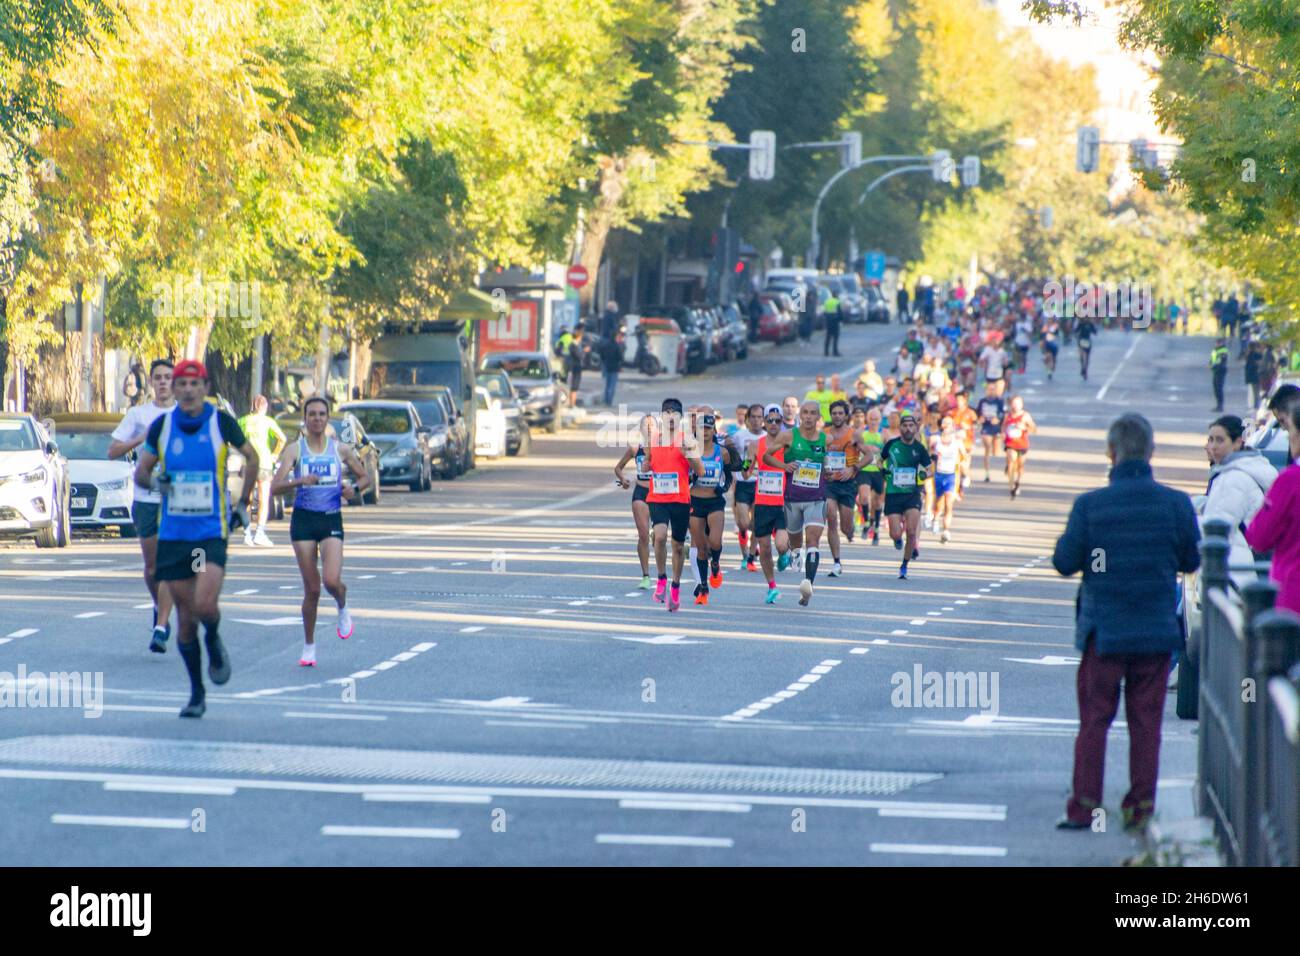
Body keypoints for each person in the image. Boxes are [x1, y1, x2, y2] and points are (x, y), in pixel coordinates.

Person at [1053, 412, 1201, 832]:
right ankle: (1139, 808)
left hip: (1106, 632)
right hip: (1155, 633)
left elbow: (1065, 562)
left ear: (1110, 452)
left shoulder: (1091, 505)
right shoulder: (1176, 504)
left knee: (1095, 721)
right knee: (1146, 724)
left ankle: (1084, 807)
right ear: (1151, 452)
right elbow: (1191, 559)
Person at [132, 360, 260, 718]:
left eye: (194, 383)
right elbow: (142, 472)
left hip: (208, 535)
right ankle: (196, 692)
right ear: (173, 389)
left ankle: (215, 639)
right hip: (173, 536)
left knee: (204, 605)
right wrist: (157, 483)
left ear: (205, 387)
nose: (188, 390)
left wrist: (244, 502)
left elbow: (252, 457)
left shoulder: (221, 422)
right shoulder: (162, 426)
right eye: (181, 384)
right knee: (186, 620)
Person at [271, 395, 370, 666]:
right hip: (303, 521)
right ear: (305, 419)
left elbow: (365, 477)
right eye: (312, 414)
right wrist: (299, 480)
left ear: (327, 419)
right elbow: (274, 487)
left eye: (321, 414)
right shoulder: (295, 450)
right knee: (312, 589)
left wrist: (354, 490)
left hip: (330, 519)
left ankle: (342, 604)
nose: (316, 419)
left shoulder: (340, 450)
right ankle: (309, 646)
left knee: (330, 580)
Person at [108, 358, 177, 653]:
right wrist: (140, 438)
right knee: (151, 569)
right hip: (145, 496)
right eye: (158, 377)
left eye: (167, 377)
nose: (162, 382)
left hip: (176, 500)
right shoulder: (139, 413)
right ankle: (158, 604)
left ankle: (161, 626)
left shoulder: (185, 414)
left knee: (168, 564)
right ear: (151, 382)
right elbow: (112, 451)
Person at [763, 401, 830, 606]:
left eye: (813, 413)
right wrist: (785, 466)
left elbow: (830, 462)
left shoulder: (825, 439)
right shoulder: (788, 436)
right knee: (795, 542)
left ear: (818, 417)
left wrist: (829, 470)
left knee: (813, 540)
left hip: (816, 499)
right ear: (801, 415)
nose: (808, 417)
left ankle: (808, 583)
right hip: (792, 499)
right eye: (806, 413)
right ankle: (793, 552)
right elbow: (766, 456)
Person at [647, 398, 704, 612]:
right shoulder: (653, 439)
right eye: (667, 412)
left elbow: (700, 471)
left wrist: (687, 454)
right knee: (659, 537)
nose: (670, 416)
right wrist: (645, 464)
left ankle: (675, 586)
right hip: (658, 498)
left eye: (675, 413)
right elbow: (649, 463)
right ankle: (661, 578)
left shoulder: (687, 440)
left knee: (678, 546)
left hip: (680, 499)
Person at [1246, 403, 1300, 613]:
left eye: (1290, 431)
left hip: (1293, 596)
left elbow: (1259, 536)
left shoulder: (1290, 481)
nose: (1288, 438)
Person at [823, 400, 877, 575]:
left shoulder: (854, 434)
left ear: (846, 415)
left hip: (847, 484)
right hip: (829, 483)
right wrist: (823, 468)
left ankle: (852, 528)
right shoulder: (823, 434)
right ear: (830, 415)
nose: (837, 416)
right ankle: (837, 563)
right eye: (834, 413)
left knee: (846, 528)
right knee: (831, 517)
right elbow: (817, 454)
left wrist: (853, 468)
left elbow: (869, 456)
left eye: (840, 413)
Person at [747, 408, 793, 603]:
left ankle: (785, 554)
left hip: (783, 502)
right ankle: (772, 586)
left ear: (782, 421)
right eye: (770, 420)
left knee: (781, 544)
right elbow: (745, 470)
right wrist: (743, 464)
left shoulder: (788, 444)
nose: (773, 423)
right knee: (764, 547)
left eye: (777, 420)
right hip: (763, 502)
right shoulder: (755, 445)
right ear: (764, 422)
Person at [688, 414, 734, 605]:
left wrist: (722, 488)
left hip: (715, 502)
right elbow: (682, 473)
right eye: (702, 428)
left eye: (708, 428)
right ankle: (704, 589)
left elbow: (730, 475)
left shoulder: (721, 452)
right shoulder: (690, 450)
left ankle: (715, 563)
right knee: (700, 548)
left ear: (713, 430)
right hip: (695, 501)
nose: (705, 432)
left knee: (715, 542)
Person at [880, 410, 932, 580]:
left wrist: (924, 475)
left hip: (912, 494)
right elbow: (879, 460)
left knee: (911, 531)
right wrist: (883, 469)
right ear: (900, 427)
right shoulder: (892, 444)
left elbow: (931, 469)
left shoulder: (919, 448)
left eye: (911, 425)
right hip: (894, 494)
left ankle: (904, 565)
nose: (908, 428)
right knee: (895, 533)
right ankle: (896, 539)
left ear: (916, 428)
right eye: (905, 425)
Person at [237, 395, 287, 548]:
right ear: (264, 407)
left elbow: (233, 439)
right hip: (264, 462)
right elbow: (282, 439)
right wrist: (275, 454)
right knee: (264, 500)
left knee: (247, 499)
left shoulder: (243, 421)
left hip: (248, 463)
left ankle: (247, 533)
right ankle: (260, 533)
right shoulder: (268, 422)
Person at [727, 404, 764, 572]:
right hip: (743, 482)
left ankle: (750, 557)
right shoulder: (739, 436)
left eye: (759, 417)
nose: (756, 420)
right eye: (753, 417)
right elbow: (729, 453)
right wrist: (733, 474)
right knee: (743, 523)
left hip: (761, 484)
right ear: (748, 419)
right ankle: (745, 554)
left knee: (757, 523)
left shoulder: (767, 437)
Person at [929, 416, 967, 543]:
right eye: (944, 423)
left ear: (952, 426)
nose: (946, 426)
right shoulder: (935, 440)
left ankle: (946, 531)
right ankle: (935, 518)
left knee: (948, 504)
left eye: (949, 424)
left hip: (951, 475)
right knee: (939, 503)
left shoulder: (957, 442)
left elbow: (965, 457)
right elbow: (930, 456)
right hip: (939, 475)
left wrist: (964, 473)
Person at [1002, 394, 1036, 498]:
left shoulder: (1025, 416)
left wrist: (1024, 427)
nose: (1015, 406)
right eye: (1014, 404)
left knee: (1020, 466)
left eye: (1018, 404)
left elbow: (1034, 429)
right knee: (1011, 460)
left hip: (1022, 444)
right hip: (1010, 443)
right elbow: (1003, 427)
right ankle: (1011, 486)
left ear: (1021, 405)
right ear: (1011, 404)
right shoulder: (1007, 416)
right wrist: (1002, 434)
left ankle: (1017, 481)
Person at [975, 382, 1004, 482]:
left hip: (996, 427)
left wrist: (998, 419)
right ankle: (987, 473)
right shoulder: (982, 401)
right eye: (989, 389)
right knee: (987, 447)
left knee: (996, 452)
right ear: (986, 390)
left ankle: (1006, 466)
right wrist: (980, 419)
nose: (991, 391)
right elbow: (977, 414)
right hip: (986, 427)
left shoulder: (999, 401)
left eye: (993, 389)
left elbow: (1003, 414)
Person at [598, 329, 624, 407]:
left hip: (607, 366)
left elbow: (601, 354)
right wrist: (620, 365)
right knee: (612, 385)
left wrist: (604, 361)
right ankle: (609, 401)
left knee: (607, 384)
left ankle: (606, 400)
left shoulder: (606, 345)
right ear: (615, 337)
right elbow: (620, 357)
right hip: (615, 367)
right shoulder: (616, 346)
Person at [566, 323, 586, 402]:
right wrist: (584, 351)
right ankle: (572, 404)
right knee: (574, 387)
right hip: (574, 367)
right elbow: (579, 355)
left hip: (576, 367)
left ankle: (572, 404)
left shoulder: (576, 345)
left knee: (575, 387)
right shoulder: (573, 345)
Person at [1210, 337, 1229, 412]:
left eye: (1219, 342)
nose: (1217, 344)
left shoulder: (1223, 350)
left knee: (1219, 388)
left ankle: (1220, 406)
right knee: (1216, 389)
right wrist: (1210, 363)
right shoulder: (1215, 350)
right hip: (1215, 371)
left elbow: (1221, 361)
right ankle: (1218, 405)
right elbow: (1213, 359)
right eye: (1217, 342)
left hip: (1220, 370)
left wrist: (1213, 365)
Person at [823, 289, 842, 357]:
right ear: (836, 295)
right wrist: (841, 320)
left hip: (828, 322)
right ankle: (835, 352)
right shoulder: (837, 302)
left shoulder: (827, 301)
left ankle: (826, 352)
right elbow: (840, 312)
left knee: (828, 337)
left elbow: (824, 312)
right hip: (835, 321)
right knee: (835, 338)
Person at [1244, 340, 1263, 409]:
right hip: (1256, 375)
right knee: (1256, 391)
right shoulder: (1256, 355)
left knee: (1256, 391)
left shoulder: (1250, 355)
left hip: (1253, 375)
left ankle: (1256, 405)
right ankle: (1256, 405)